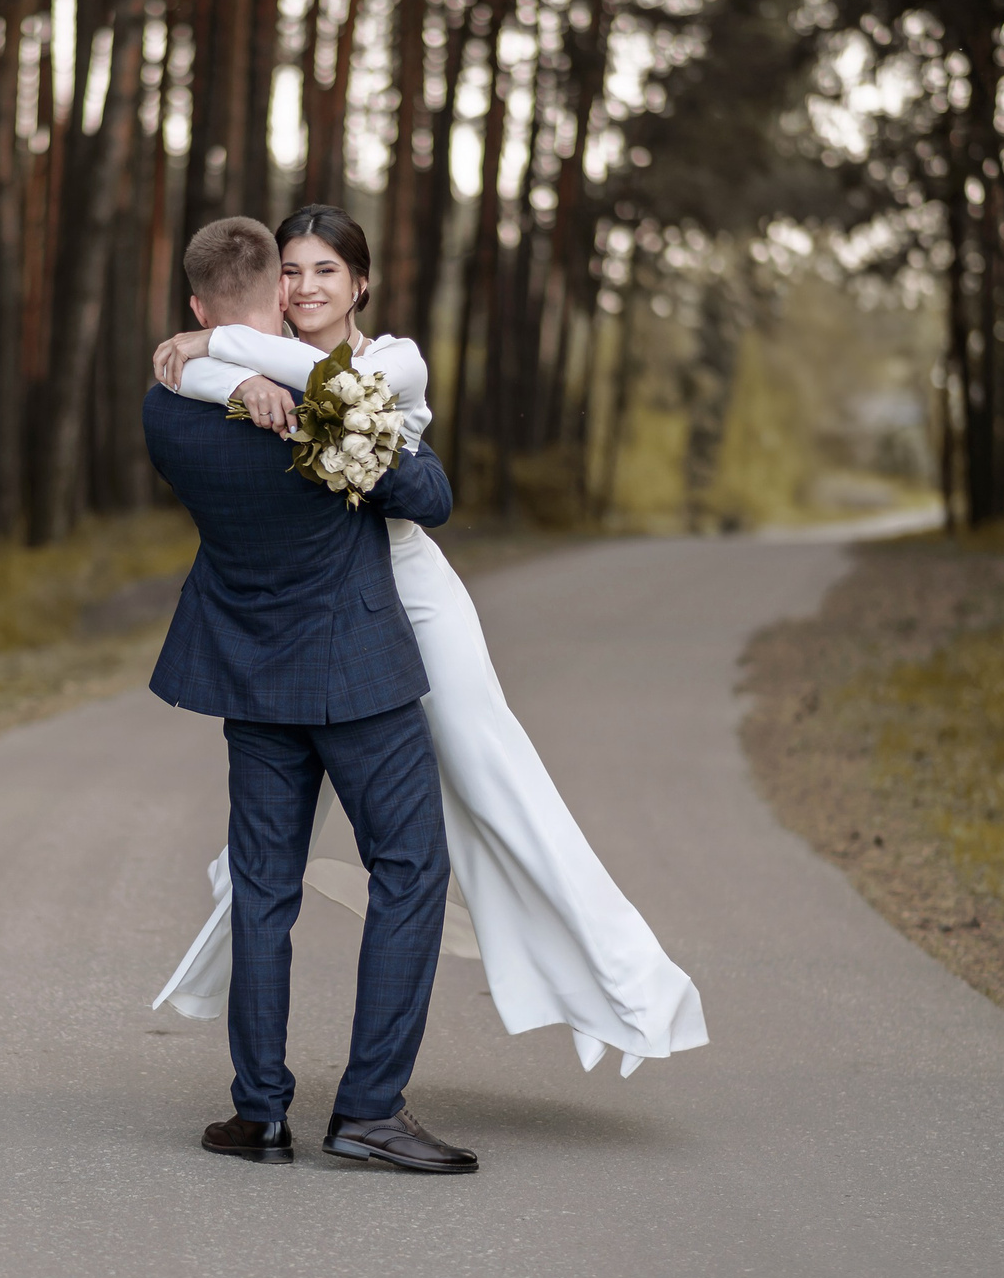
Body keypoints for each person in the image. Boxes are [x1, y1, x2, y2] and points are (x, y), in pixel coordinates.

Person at [153, 204, 707, 1079]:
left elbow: (400, 463)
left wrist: (210, 349)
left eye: (325, 271)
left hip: (409, 592)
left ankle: (624, 984)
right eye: (289, 272)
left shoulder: (389, 361)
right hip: (327, 612)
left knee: (493, 775)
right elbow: (240, 384)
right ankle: (251, 1012)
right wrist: (218, 362)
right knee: (273, 860)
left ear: (360, 283)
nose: (303, 287)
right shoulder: (237, 363)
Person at [140, 215, 477, 1174]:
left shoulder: (169, 407)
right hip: (358, 672)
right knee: (410, 870)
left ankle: (262, 1114)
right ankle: (369, 1110)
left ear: (201, 311)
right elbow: (431, 497)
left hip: (252, 675)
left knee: (263, 887)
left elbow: (196, 381)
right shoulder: (329, 399)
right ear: (277, 298)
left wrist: (228, 367)